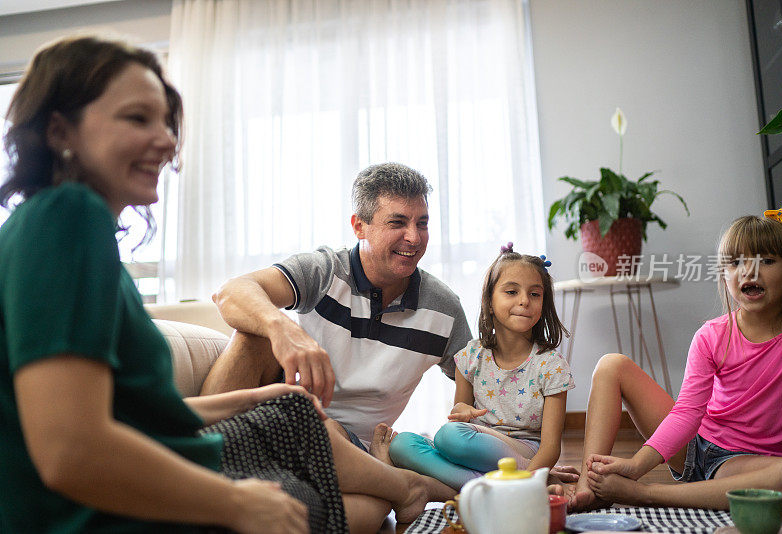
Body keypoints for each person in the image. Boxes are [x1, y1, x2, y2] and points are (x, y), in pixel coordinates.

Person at [0, 34, 454, 534]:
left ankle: (406, 489)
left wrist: (247, 400)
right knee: (341, 505)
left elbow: (125, 411)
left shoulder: (64, 228)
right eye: (137, 118)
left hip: (177, 455)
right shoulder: (68, 219)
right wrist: (234, 504)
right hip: (97, 513)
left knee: (332, 473)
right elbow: (70, 452)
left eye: (165, 122)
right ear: (62, 129)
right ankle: (408, 490)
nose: (168, 141)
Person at [201, 162, 473, 450]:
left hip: (353, 448)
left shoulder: (444, 308)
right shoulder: (324, 271)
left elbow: (482, 377)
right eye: (397, 223)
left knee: (334, 440)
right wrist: (281, 328)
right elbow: (230, 293)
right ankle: (198, 454)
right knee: (252, 335)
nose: (414, 238)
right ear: (359, 227)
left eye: (422, 223)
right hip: (284, 414)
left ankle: (404, 485)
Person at [568, 211, 782, 511]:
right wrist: (636, 465)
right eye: (736, 262)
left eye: (766, 261)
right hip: (695, 444)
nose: (749, 272)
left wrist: (639, 483)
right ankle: (590, 488)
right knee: (612, 365)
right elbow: (688, 413)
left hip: (745, 464)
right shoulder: (712, 335)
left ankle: (647, 494)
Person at [382, 245, 575, 490]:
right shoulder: (470, 358)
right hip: (478, 443)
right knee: (402, 445)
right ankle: (500, 486)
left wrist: (536, 468)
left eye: (535, 294)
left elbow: (550, 448)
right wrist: (461, 411)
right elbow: (459, 417)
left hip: (526, 450)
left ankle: (516, 481)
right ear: (490, 301)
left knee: (449, 437)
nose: (524, 301)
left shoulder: (551, 366)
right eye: (512, 292)